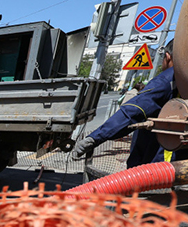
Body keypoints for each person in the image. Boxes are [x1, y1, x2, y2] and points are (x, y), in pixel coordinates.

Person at [72, 40, 177, 168]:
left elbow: (132, 111)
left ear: (167, 57)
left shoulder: (166, 81)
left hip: (155, 165)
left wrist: (94, 138)